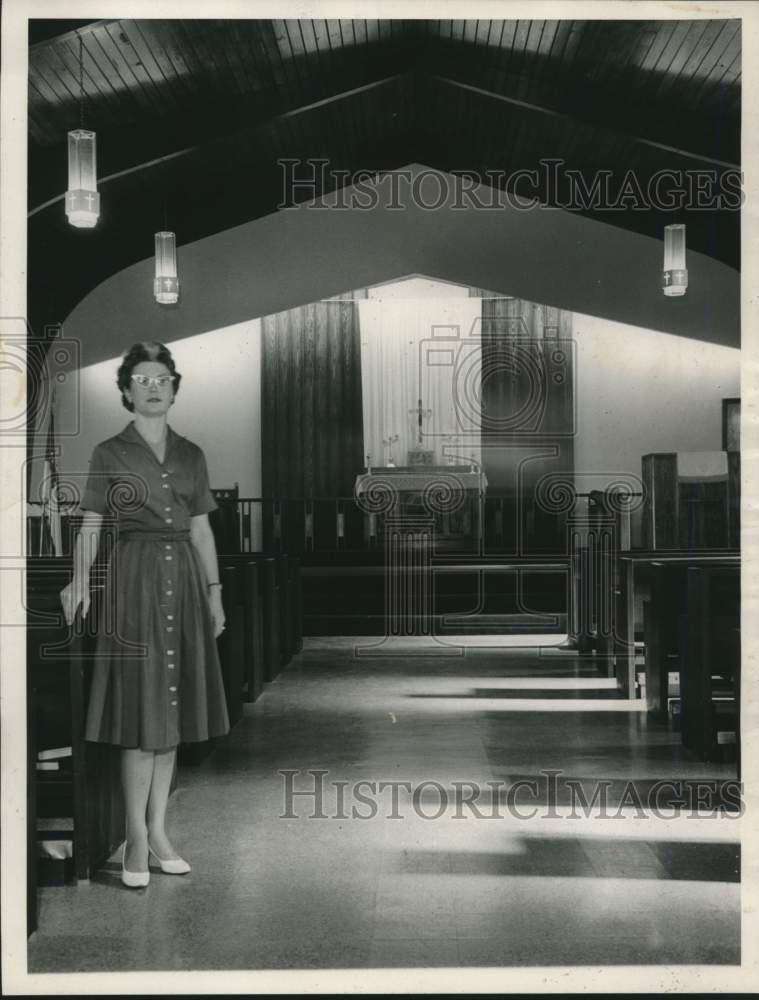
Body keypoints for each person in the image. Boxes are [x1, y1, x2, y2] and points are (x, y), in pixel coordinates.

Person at [60, 341, 230, 888]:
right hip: (133, 582)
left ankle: (158, 830)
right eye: (142, 379)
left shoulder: (192, 453)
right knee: (142, 713)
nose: (153, 387)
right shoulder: (109, 452)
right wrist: (80, 579)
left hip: (181, 578)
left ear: (174, 388)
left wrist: (215, 593)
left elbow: (202, 529)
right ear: (127, 390)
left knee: (172, 712)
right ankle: (134, 834)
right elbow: (90, 524)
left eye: (162, 379)